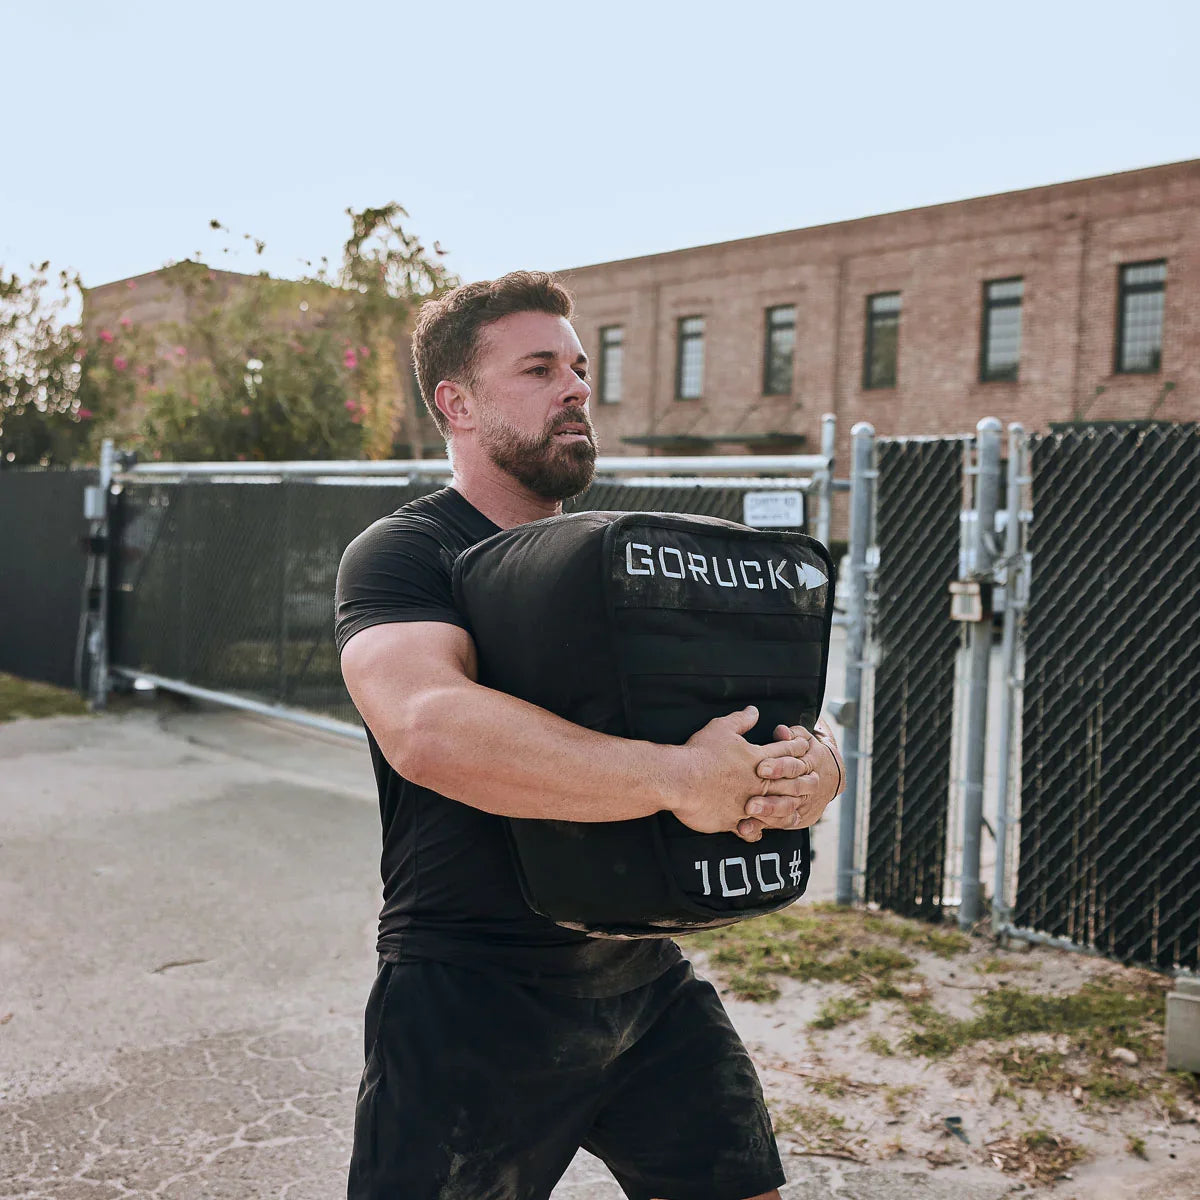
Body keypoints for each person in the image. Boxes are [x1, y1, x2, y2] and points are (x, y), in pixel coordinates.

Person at [335, 271, 845, 1200]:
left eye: (577, 366)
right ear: (457, 402)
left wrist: (817, 765)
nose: (576, 386)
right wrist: (678, 780)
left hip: (643, 973)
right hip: (470, 988)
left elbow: (767, 708)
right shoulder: (409, 552)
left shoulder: (626, 560)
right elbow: (425, 725)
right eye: (539, 369)